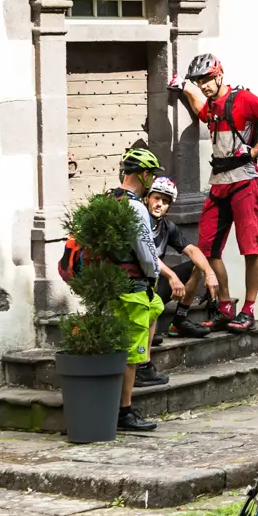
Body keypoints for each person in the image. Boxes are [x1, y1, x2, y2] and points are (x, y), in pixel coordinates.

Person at [173, 53, 258, 333]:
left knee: (250, 248)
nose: (205, 86)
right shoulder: (210, 105)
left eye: (207, 80)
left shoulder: (243, 99)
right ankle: (225, 306)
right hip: (219, 183)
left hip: (244, 182)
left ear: (220, 74)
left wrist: (255, 150)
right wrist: (185, 87)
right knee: (208, 248)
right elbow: (200, 107)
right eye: (200, 82)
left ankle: (248, 310)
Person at [109, 146, 169, 431]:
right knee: (130, 354)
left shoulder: (108, 200)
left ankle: (144, 366)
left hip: (111, 285)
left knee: (156, 306)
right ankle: (124, 413)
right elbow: (146, 250)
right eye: (152, 176)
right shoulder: (135, 206)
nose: (152, 181)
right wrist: (154, 272)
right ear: (144, 174)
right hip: (133, 287)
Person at [141, 176, 228, 340]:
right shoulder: (139, 222)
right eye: (157, 198)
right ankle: (145, 332)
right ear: (147, 198)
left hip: (155, 285)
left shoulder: (167, 227)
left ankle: (179, 321)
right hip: (137, 286)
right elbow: (148, 255)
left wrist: (209, 273)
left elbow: (193, 250)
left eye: (165, 201)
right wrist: (172, 276)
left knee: (196, 266)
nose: (160, 204)